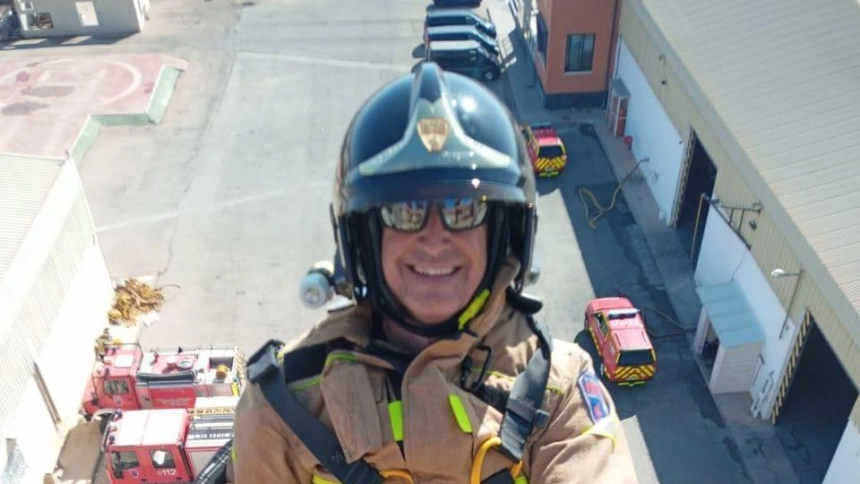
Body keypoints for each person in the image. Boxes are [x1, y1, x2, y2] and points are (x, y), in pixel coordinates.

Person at [231, 62, 637, 483]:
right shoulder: (282, 404)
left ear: (502, 233)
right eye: (405, 211)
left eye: (463, 210)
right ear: (364, 237)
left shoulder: (557, 392)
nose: (435, 237)